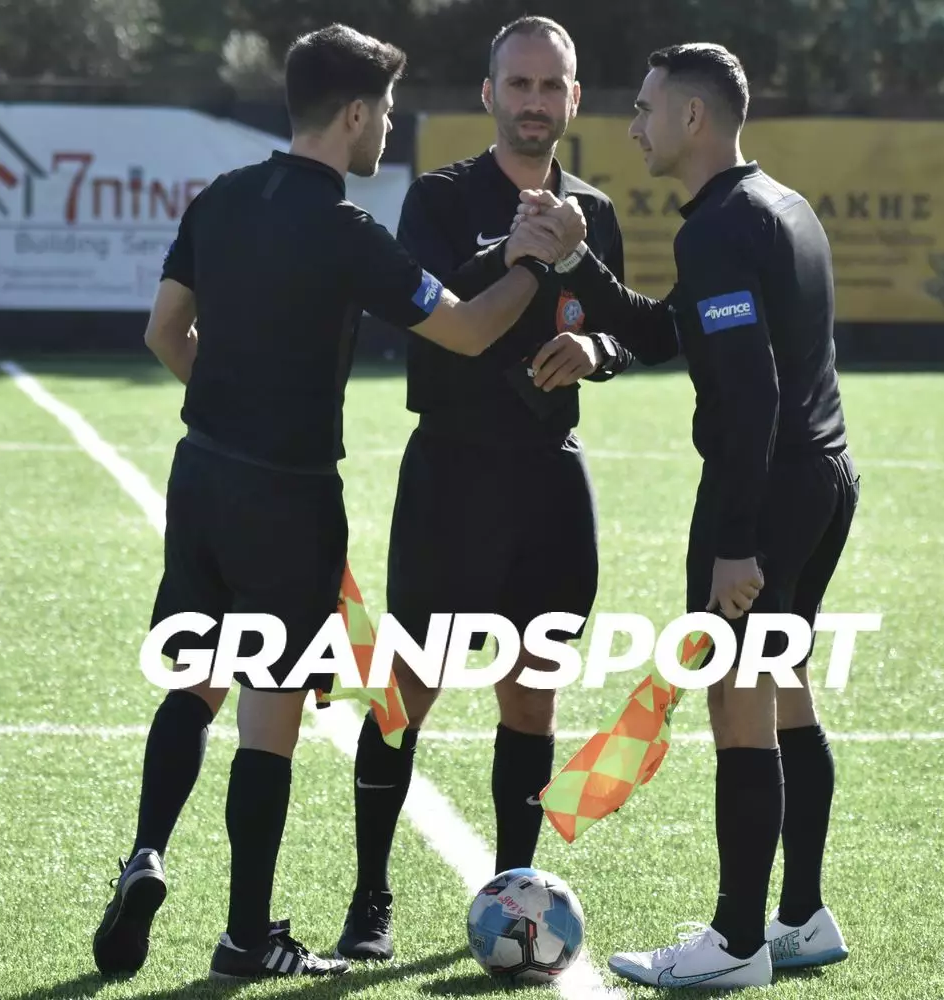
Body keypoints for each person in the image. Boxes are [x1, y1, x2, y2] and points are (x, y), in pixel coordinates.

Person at [90, 23, 586, 983]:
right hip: (293, 496)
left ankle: (146, 851)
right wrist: (531, 260)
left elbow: (163, 332)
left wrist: (222, 408)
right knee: (269, 713)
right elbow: (469, 332)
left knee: (194, 683)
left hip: (202, 474)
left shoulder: (220, 197)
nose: (390, 128)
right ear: (355, 113)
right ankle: (248, 936)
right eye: (386, 111)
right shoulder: (348, 230)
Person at [518, 42, 857, 989]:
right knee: (784, 686)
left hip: (766, 492)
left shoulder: (720, 227)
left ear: (693, 117)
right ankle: (802, 917)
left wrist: (736, 544)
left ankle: (737, 942)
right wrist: (579, 265)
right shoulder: (778, 205)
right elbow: (669, 331)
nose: (633, 125)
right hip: (824, 477)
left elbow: (750, 395)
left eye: (645, 108)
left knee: (737, 699)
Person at [333, 16, 629, 963]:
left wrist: (597, 350)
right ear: (490, 94)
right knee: (404, 695)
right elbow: (420, 306)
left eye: (552, 86)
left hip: (548, 476)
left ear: (574, 99)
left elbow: (624, 324)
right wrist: (517, 249)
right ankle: (369, 898)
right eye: (520, 84)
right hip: (452, 474)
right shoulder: (440, 196)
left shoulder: (594, 211)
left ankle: (515, 894)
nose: (535, 102)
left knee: (532, 695)